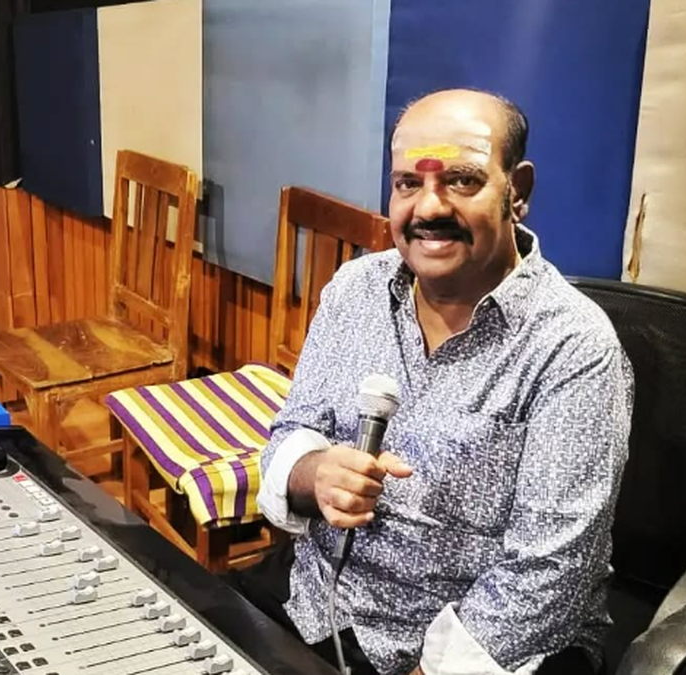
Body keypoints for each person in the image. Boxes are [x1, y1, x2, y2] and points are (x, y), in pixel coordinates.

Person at [232, 89, 634, 675]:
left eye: (462, 181)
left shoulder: (573, 347)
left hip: (479, 651)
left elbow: (553, 570)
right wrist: (313, 474)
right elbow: (292, 432)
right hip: (319, 603)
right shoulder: (354, 290)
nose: (428, 208)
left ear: (517, 191)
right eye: (407, 184)